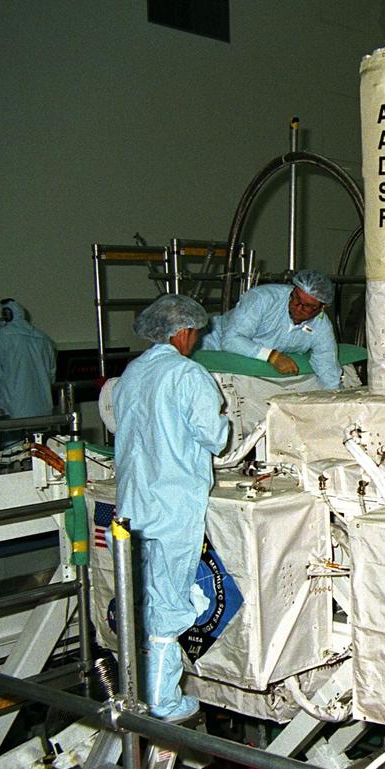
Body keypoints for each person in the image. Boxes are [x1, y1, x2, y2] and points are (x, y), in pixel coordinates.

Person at [113, 294, 230, 721]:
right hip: (173, 501)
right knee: (168, 598)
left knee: (143, 592)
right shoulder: (187, 374)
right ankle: (162, 700)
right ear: (182, 332)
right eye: (195, 333)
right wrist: (226, 420)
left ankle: (138, 684)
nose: (195, 341)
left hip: (133, 499)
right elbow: (215, 437)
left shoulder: (132, 372)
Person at [201, 270, 342, 389]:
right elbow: (231, 340)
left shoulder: (321, 326)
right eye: (296, 299)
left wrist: (338, 399)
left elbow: (327, 366)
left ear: (322, 308)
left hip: (249, 365)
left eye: (308, 306)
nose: (298, 307)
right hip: (212, 348)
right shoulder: (263, 298)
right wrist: (273, 356)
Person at [0, 299, 56, 419]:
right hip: (44, 413)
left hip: (12, 413)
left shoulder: (0, 338)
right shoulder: (44, 339)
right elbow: (51, 376)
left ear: (4, 317)